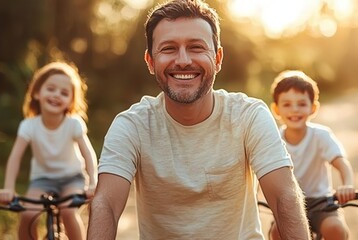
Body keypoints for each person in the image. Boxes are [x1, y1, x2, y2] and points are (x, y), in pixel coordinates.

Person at [87, 0, 310, 239]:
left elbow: (284, 196)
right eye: (169, 48)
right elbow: (106, 205)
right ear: (150, 61)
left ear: (218, 58)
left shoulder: (249, 116)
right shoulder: (132, 125)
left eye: (196, 47)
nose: (183, 60)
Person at [0, 61, 98, 240]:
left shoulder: (73, 124)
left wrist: (92, 184)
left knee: (68, 212)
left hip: (72, 178)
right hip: (41, 180)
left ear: (71, 101)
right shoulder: (29, 126)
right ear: (36, 92)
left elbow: (88, 154)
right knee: (28, 215)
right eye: (51, 89)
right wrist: (8, 189)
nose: (57, 95)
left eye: (64, 93)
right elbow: (15, 158)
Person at [267, 70, 356, 240]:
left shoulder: (321, 135)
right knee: (277, 234)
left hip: (322, 203)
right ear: (276, 109)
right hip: (288, 205)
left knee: (336, 229)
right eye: (287, 104)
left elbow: (341, 162)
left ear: (313, 108)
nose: (294, 110)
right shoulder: (273, 139)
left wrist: (348, 185)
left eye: (301, 104)